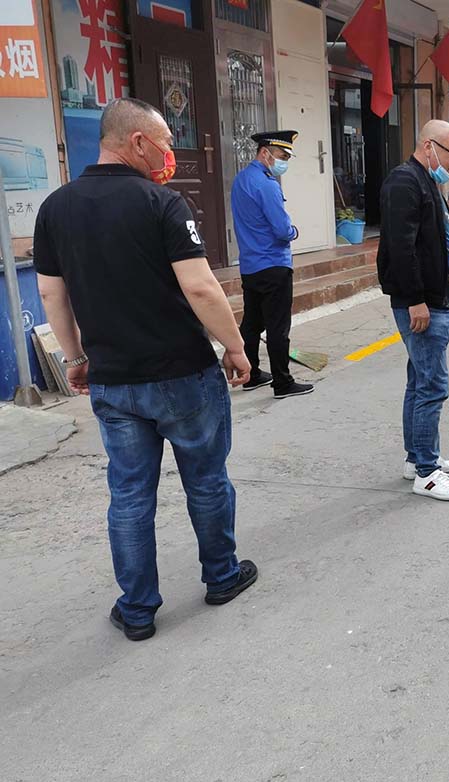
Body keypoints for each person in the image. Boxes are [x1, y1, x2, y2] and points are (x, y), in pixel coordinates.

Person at [32, 97, 258, 641]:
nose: (168, 155)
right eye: (165, 144)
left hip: (113, 380)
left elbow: (51, 294)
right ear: (137, 142)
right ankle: (221, 576)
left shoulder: (55, 208)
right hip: (182, 374)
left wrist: (75, 359)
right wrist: (235, 346)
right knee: (206, 481)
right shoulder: (163, 204)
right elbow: (201, 288)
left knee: (131, 496)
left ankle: (136, 610)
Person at [378, 119, 449, 501]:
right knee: (433, 385)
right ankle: (427, 473)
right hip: (422, 303)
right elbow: (401, 249)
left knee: (419, 380)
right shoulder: (405, 182)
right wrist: (415, 299)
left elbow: (428, 241)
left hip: (433, 295)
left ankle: (417, 456)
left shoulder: (425, 181)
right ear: (430, 145)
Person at [231, 130, 313, 399]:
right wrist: (294, 232)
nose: (284, 162)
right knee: (278, 327)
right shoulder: (267, 185)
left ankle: (251, 374)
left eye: (287, 157)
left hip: (250, 265)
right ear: (265, 152)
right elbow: (281, 229)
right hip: (273, 264)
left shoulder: (241, 179)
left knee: (252, 323)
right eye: (282, 156)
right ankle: (282, 382)